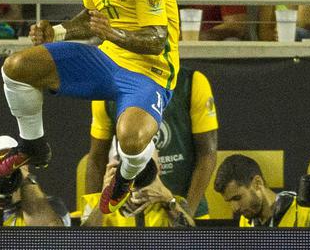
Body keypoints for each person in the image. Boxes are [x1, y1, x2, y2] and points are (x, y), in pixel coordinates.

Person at [0, 0, 179, 215]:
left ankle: (125, 177)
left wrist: (114, 35)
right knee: (17, 66)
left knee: (130, 138)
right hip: (107, 59)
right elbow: (93, 16)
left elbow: (157, 40)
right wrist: (57, 32)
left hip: (150, 72)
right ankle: (33, 146)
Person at [87, 63, 218, 216]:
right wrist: (90, 213)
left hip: (183, 207)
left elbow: (207, 155)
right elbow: (97, 159)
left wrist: (186, 214)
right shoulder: (107, 91)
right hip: (132, 214)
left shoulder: (192, 82)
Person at [82, 153, 196, 226]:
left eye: (147, 166)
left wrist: (169, 201)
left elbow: (193, 242)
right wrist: (106, 196)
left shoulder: (174, 203)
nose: (139, 172)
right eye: (134, 166)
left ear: (159, 169)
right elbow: (83, 243)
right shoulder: (96, 203)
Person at [214, 153, 310, 227]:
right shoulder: (245, 221)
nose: (235, 208)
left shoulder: (305, 213)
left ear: (257, 183)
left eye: (237, 198)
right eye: (229, 201)